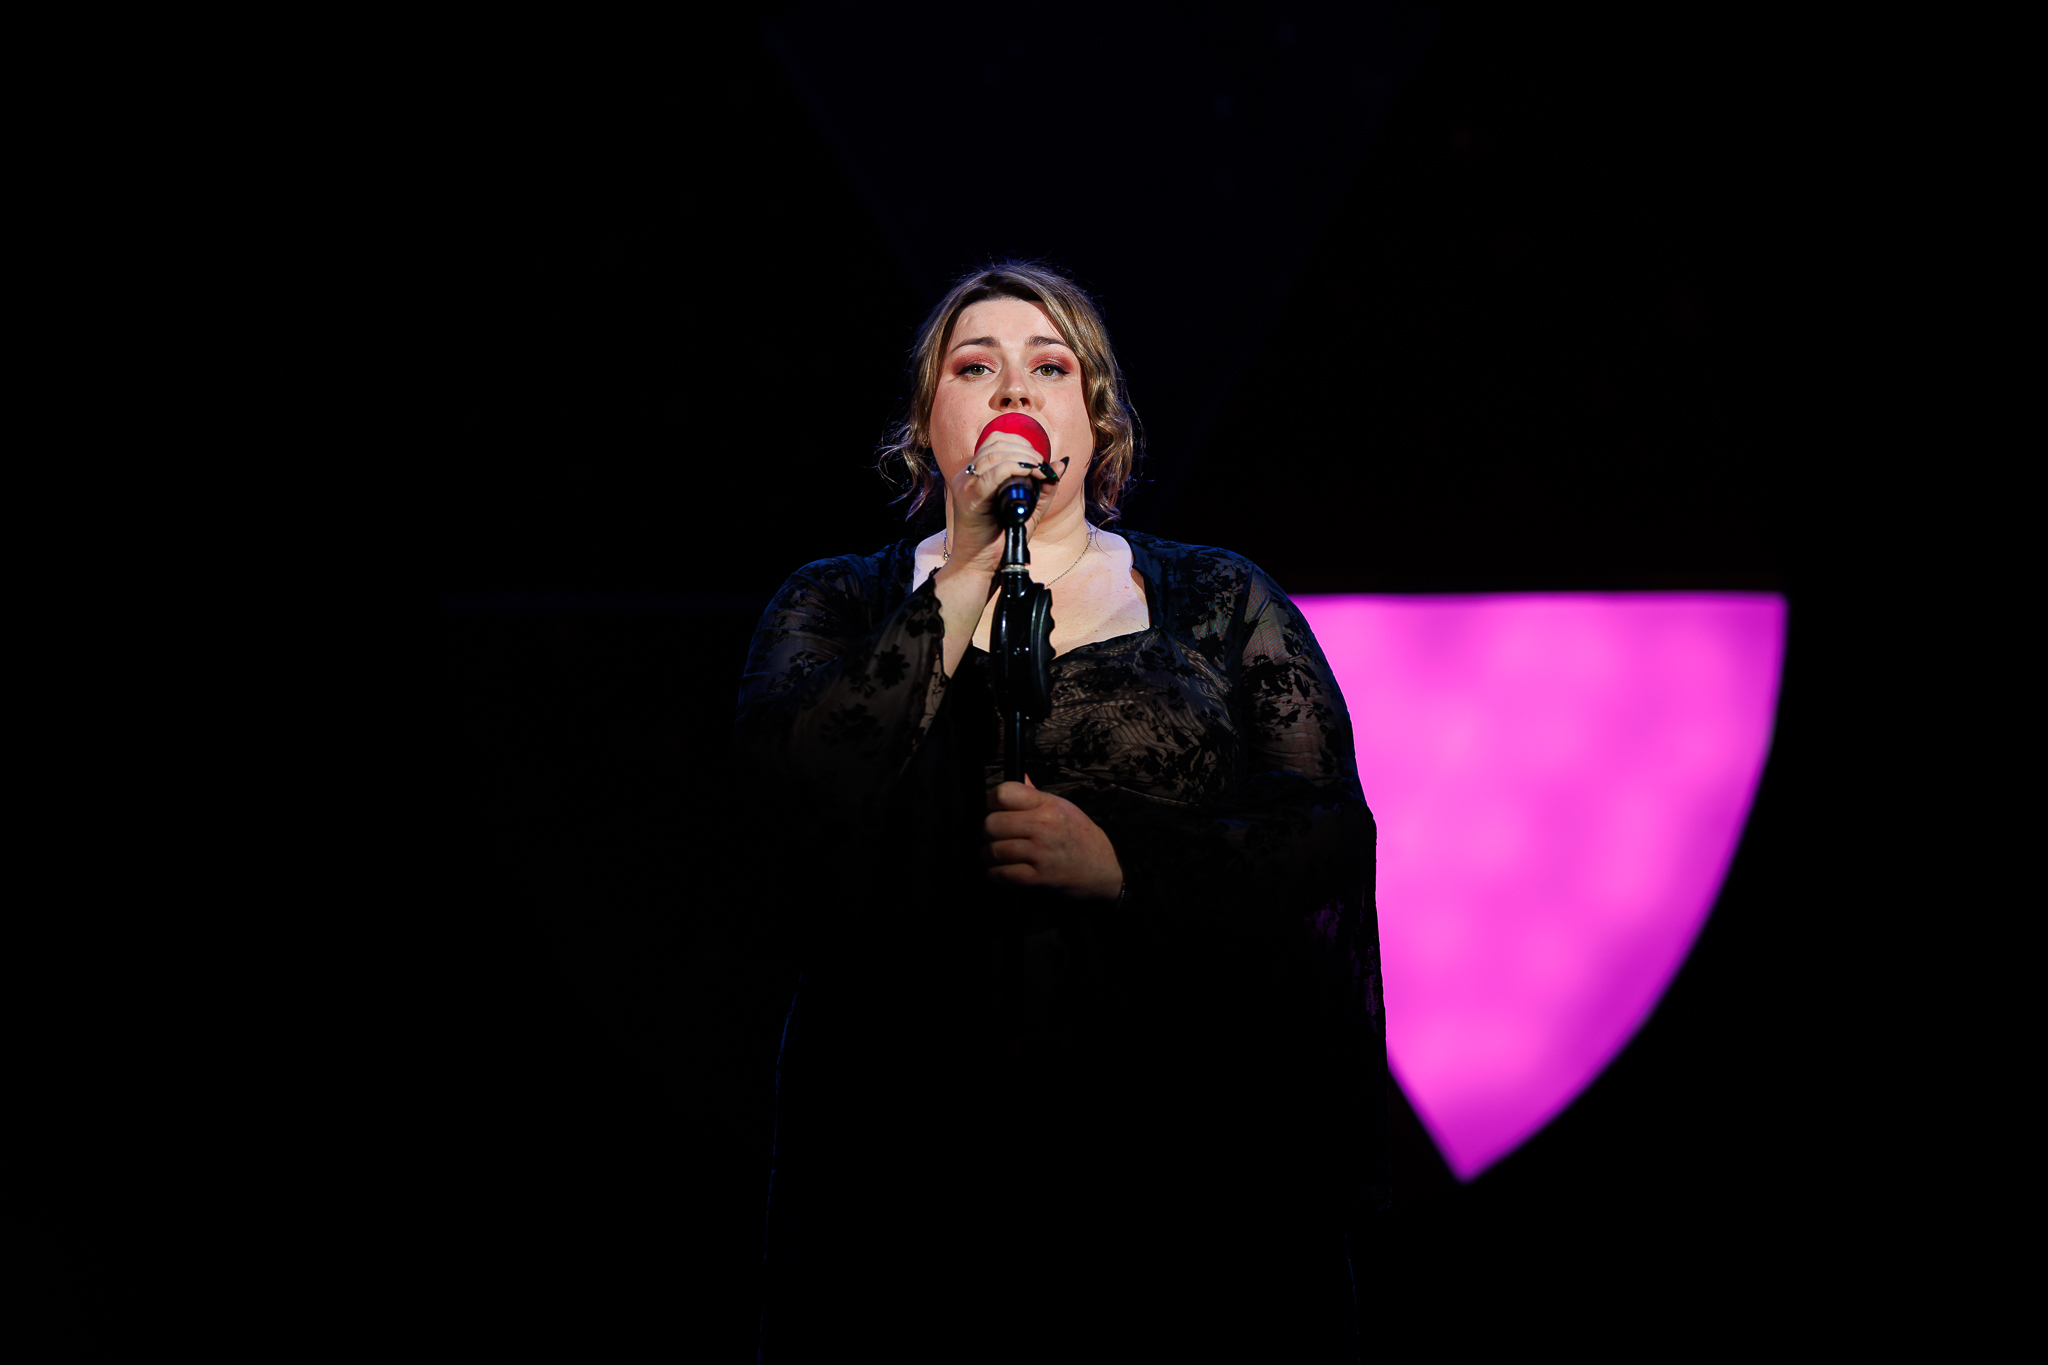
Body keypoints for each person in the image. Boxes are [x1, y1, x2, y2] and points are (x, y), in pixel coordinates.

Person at [738, 261, 1386, 1362]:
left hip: (1178, 1149)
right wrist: (968, 568)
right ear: (924, 425)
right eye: (972, 366)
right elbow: (799, 795)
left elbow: (1321, 835)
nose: (1012, 389)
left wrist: (1124, 862)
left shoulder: (1218, 598)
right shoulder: (837, 600)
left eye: (1049, 367)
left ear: (1095, 422)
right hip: (906, 1151)